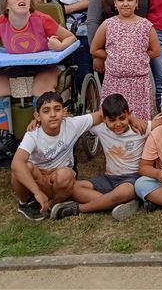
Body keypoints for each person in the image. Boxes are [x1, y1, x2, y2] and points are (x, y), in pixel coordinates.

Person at [0, 0, 76, 160]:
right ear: (7, 4)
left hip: (47, 66)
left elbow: (71, 37)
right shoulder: (0, 23)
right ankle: (5, 139)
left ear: (30, 3)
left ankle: (41, 132)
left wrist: (59, 45)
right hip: (16, 67)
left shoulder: (41, 19)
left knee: (40, 86)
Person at [50, 94, 150, 222]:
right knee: (73, 187)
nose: (118, 124)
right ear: (104, 119)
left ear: (129, 114)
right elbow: (72, 121)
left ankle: (79, 208)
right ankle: (116, 203)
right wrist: (39, 120)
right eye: (112, 120)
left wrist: (133, 119)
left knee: (124, 192)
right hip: (108, 178)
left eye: (122, 118)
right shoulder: (100, 128)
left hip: (132, 179)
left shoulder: (140, 128)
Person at [10, 91, 103, 220]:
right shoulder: (33, 134)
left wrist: (131, 119)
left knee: (66, 174)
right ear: (37, 116)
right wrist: (37, 192)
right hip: (39, 178)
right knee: (21, 167)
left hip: (59, 178)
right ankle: (25, 203)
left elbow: (101, 115)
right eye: (46, 111)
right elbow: (16, 163)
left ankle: (53, 205)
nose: (53, 115)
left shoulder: (72, 124)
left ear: (64, 111)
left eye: (57, 109)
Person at [90, 0, 161, 120]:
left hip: (138, 83)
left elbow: (156, 51)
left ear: (136, 3)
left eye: (129, 0)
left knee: (139, 120)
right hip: (114, 82)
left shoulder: (146, 25)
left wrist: (139, 57)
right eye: (121, 0)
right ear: (115, 3)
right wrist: (113, 56)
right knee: (114, 117)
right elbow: (95, 48)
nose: (125, 4)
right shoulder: (108, 24)